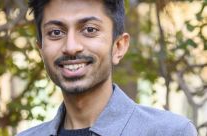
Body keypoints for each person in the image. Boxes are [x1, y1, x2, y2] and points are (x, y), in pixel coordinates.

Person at [18, 0, 197, 135]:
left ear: (118, 46)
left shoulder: (170, 132)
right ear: (41, 50)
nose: (71, 47)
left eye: (89, 30)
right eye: (56, 33)